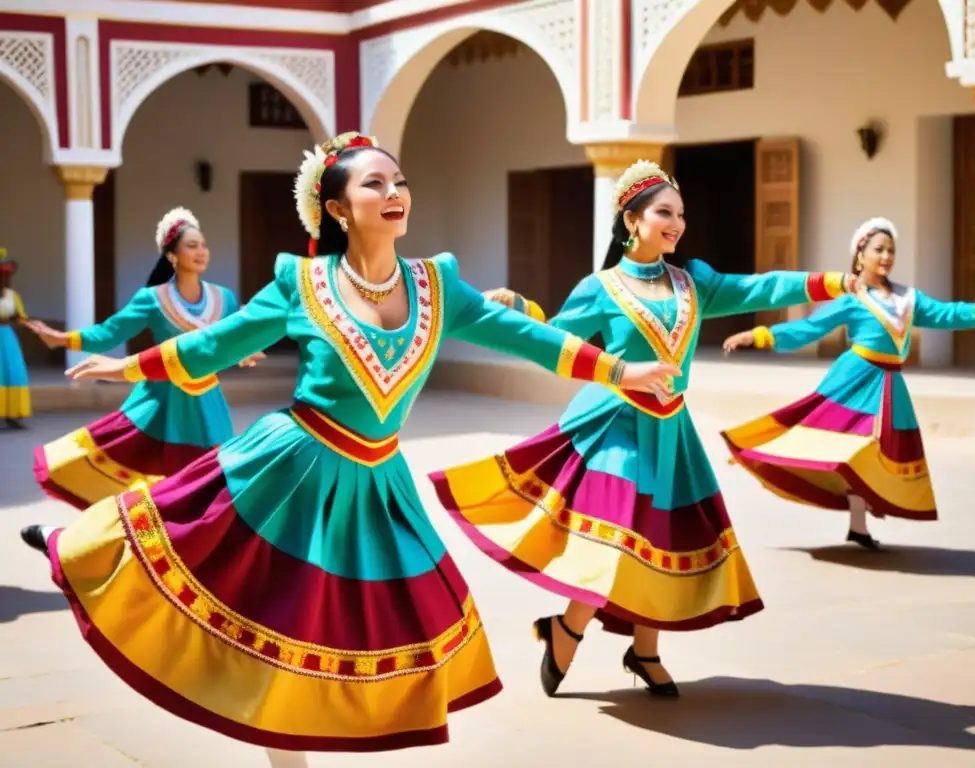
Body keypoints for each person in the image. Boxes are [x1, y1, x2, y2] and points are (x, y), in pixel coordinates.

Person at [18, 133, 677, 764]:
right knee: (202, 559)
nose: (395, 192)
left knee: (371, 619)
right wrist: (123, 368)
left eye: (400, 181)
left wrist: (620, 371)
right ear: (337, 208)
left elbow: (525, 337)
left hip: (375, 480)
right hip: (289, 467)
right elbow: (212, 346)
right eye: (375, 182)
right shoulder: (300, 284)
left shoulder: (438, 285)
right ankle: (64, 544)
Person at [429, 159, 860, 699]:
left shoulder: (695, 283)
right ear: (632, 220)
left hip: (671, 433)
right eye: (664, 212)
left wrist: (837, 282)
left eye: (680, 214)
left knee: (660, 538)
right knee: (615, 538)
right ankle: (568, 628)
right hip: (614, 424)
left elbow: (762, 288)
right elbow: (556, 340)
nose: (676, 223)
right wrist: (516, 307)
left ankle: (645, 650)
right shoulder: (601, 287)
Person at [720, 217, 975, 549]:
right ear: (860, 255)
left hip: (890, 386)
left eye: (891, 250)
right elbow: (809, 328)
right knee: (849, 447)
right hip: (855, 380)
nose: (886, 257)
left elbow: (944, 313)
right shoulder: (851, 298)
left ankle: (858, 526)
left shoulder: (908, 299)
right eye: (879, 249)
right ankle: (768, 457)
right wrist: (759, 335)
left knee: (871, 452)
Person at [25, 208, 259, 509]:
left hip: (207, 404)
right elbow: (109, 333)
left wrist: (245, 352)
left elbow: (231, 340)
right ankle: (141, 542)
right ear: (172, 255)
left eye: (203, 245)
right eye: (191, 245)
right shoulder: (152, 299)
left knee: (213, 483)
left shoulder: (223, 298)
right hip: (160, 402)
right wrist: (61, 339)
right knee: (155, 489)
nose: (201, 251)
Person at [0, 249, 31, 429]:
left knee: (12, 372)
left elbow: (21, 316)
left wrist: (26, 323)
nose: (3, 279)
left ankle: (12, 414)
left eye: (5, 275)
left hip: (7, 337)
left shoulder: (13, 296)